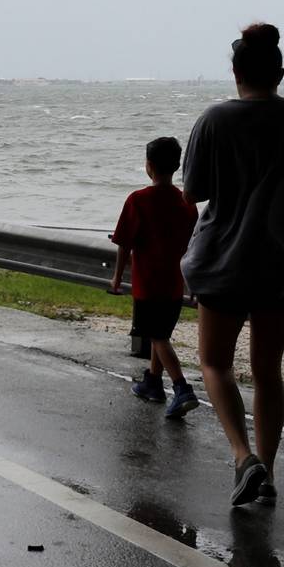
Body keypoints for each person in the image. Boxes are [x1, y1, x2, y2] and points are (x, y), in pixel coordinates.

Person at [182, 24, 284, 508]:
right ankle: (266, 472)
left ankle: (242, 458)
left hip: (224, 261)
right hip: (283, 263)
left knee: (214, 363)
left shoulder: (213, 121)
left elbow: (193, 192)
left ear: (236, 74)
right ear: (281, 74)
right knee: (268, 370)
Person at [109, 136, 200, 419]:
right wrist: (193, 283)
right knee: (161, 331)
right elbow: (194, 246)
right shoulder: (188, 203)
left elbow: (125, 243)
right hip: (175, 284)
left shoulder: (138, 200)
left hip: (148, 283)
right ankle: (152, 382)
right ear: (176, 166)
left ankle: (182, 388)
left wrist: (116, 279)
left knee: (158, 336)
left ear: (148, 166)